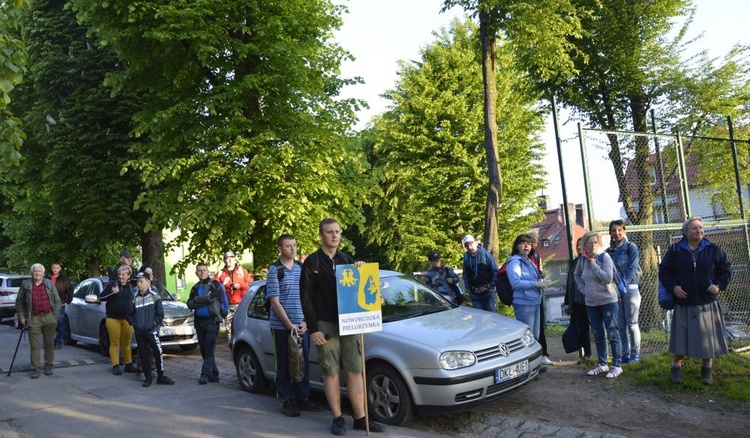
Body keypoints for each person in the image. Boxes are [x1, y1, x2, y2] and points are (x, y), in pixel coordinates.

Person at [300, 218, 385, 435]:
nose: (334, 236)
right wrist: (313, 328)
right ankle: (338, 418)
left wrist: (365, 276)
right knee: (331, 373)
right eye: (330, 232)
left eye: (337, 232)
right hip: (325, 325)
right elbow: (307, 298)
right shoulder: (312, 262)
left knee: (356, 371)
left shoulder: (347, 259)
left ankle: (360, 418)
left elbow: (361, 289)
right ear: (321, 235)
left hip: (350, 323)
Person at [659, 216, 730, 385]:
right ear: (685, 232)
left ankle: (707, 369)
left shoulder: (713, 249)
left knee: (707, 339)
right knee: (680, 339)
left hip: (707, 302)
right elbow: (664, 272)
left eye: (700, 228)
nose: (699, 231)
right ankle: (676, 367)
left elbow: (725, 270)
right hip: (684, 303)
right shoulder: (676, 250)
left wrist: (718, 285)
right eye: (694, 228)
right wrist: (674, 287)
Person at [267, 234, 321, 417]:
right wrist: (289, 325)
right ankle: (287, 399)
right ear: (280, 249)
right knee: (284, 363)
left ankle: (302, 398)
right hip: (282, 327)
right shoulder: (275, 270)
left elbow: (308, 297)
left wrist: (305, 322)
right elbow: (274, 301)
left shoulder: (300, 268)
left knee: (302, 363)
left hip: (301, 326)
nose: (293, 249)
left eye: (295, 245)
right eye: (288, 246)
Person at [574, 231, 623, 379]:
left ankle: (617, 365)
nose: (593, 245)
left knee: (613, 332)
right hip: (590, 302)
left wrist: (594, 266)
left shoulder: (604, 257)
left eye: (595, 242)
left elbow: (607, 278)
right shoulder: (582, 260)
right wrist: (583, 290)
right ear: (585, 246)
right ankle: (602, 364)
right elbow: (577, 275)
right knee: (598, 333)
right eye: (589, 243)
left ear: (599, 243)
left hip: (608, 300)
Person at [127, 271, 175, 387]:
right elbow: (128, 314)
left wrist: (153, 324)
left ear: (148, 282)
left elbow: (160, 314)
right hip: (139, 332)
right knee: (143, 354)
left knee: (158, 352)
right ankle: (147, 378)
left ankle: (161, 376)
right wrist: (135, 324)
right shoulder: (134, 297)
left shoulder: (155, 297)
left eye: (141, 281)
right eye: (137, 282)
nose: (138, 284)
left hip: (151, 331)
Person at [15, 264, 62, 379]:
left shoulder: (49, 283)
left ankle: (48, 365)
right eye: (35, 271)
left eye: (40, 271)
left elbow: (57, 300)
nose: (37, 273)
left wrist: (54, 316)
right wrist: (21, 316)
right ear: (32, 273)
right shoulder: (25, 285)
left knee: (49, 344)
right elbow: (19, 302)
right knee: (34, 345)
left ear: (43, 273)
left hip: (49, 317)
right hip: (33, 318)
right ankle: (35, 368)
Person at [187, 263, 228, 384]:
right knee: (204, 350)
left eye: (204, 270)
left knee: (209, 349)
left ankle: (204, 375)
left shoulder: (215, 284)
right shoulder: (195, 288)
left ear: (207, 271)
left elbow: (211, 297)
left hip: (212, 321)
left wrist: (197, 299)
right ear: (196, 273)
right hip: (199, 323)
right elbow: (189, 304)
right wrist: (203, 299)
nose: (202, 272)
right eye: (199, 271)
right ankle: (214, 375)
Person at [607, 219, 642, 363]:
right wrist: (615, 290)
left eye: (620, 230)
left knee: (632, 324)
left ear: (624, 231)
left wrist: (621, 288)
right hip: (615, 292)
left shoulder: (631, 247)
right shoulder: (608, 252)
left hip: (630, 289)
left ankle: (635, 354)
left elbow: (632, 269)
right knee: (620, 325)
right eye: (614, 230)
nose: (617, 233)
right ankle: (624, 354)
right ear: (610, 233)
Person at [506, 234, 548, 342]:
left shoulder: (528, 260)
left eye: (529, 244)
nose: (526, 246)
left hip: (535, 301)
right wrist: (535, 284)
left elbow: (530, 278)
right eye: (523, 243)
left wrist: (540, 276)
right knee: (527, 339)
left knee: (535, 337)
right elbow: (515, 282)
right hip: (524, 303)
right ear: (516, 246)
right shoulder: (514, 261)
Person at [101, 265, 137, 375]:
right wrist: (112, 293)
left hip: (127, 318)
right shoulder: (112, 284)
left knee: (126, 343)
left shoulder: (132, 286)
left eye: (123, 275)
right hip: (113, 318)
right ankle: (115, 365)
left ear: (128, 276)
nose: (121, 277)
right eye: (119, 274)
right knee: (114, 342)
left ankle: (128, 364)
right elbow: (101, 297)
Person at [564, 238, 592, 363]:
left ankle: (599, 355)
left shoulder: (590, 261)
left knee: (595, 328)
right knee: (581, 328)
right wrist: (567, 302)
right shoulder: (574, 262)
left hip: (589, 299)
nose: (580, 247)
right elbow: (569, 283)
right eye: (578, 245)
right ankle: (587, 355)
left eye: (582, 245)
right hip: (576, 301)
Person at [214, 250, 252, 342]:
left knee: (243, 328)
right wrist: (223, 285)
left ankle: (241, 350)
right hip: (227, 305)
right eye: (227, 259)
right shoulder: (220, 274)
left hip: (241, 305)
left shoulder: (242, 271)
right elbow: (214, 288)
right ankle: (232, 350)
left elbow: (251, 285)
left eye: (231, 258)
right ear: (224, 261)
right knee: (229, 331)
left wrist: (240, 286)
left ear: (235, 259)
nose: (229, 260)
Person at [528, 240, 554, 366]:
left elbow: (538, 271)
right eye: (528, 243)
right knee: (528, 329)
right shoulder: (516, 260)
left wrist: (541, 274)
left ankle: (543, 354)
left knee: (539, 328)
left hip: (537, 295)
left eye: (533, 243)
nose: (531, 246)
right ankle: (530, 359)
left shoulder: (536, 255)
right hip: (525, 299)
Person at [461, 235, 498, 312]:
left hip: (488, 292)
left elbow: (495, 271)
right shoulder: (466, 257)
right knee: (479, 317)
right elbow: (465, 274)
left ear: (476, 243)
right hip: (474, 293)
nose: (469, 247)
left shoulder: (485, 254)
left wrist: (492, 287)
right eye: (467, 245)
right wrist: (468, 289)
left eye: (471, 244)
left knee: (492, 315)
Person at [48, 262, 74, 350]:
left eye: (57, 268)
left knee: (60, 324)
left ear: (60, 269)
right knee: (49, 325)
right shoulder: (46, 279)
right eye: (54, 268)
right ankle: (49, 343)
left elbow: (70, 290)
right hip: (48, 305)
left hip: (60, 304)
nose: (55, 269)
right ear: (51, 268)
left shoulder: (64, 279)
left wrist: (67, 301)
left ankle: (58, 342)